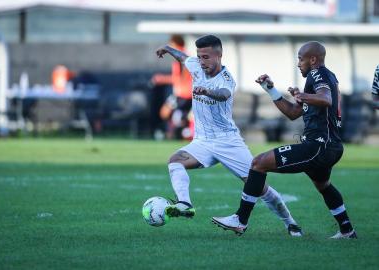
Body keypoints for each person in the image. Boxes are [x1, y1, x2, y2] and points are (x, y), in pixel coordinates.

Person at [156, 34, 302, 236]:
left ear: (219, 55)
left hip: (228, 142)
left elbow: (224, 93)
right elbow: (183, 58)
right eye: (200, 56)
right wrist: (168, 49)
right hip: (203, 141)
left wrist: (207, 92)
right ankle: (184, 204)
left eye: (206, 57)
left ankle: (291, 223)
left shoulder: (226, 79)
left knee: (259, 188)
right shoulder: (196, 65)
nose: (202, 61)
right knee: (175, 161)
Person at [212, 41, 357, 239]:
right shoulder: (326, 77)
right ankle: (347, 230)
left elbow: (326, 99)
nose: (298, 63)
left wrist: (301, 94)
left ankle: (240, 220)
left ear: (313, 59)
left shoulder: (318, 73)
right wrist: (271, 90)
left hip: (318, 146)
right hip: (329, 146)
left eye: (301, 58)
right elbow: (293, 113)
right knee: (323, 185)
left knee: (258, 163)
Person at [152, 34, 193, 139]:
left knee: (167, 112)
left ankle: (176, 132)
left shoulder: (182, 58)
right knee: (169, 113)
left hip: (183, 93)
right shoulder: (183, 56)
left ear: (175, 44)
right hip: (183, 93)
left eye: (171, 45)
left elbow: (180, 79)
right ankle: (178, 131)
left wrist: (162, 79)